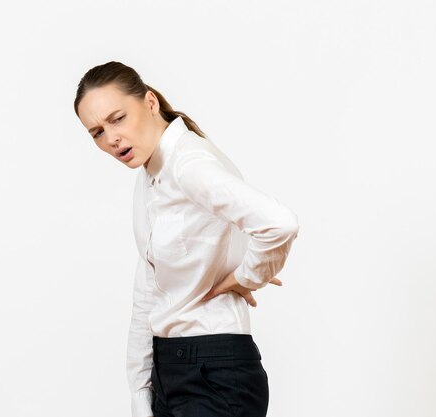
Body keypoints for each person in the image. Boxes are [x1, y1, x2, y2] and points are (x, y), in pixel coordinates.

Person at [73, 61, 299, 417]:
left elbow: (279, 223)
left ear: (149, 102)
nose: (111, 138)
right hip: (170, 369)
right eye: (97, 132)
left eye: (117, 118)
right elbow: (148, 288)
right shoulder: (151, 174)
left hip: (214, 371)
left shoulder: (187, 163)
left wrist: (246, 277)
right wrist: (140, 389)